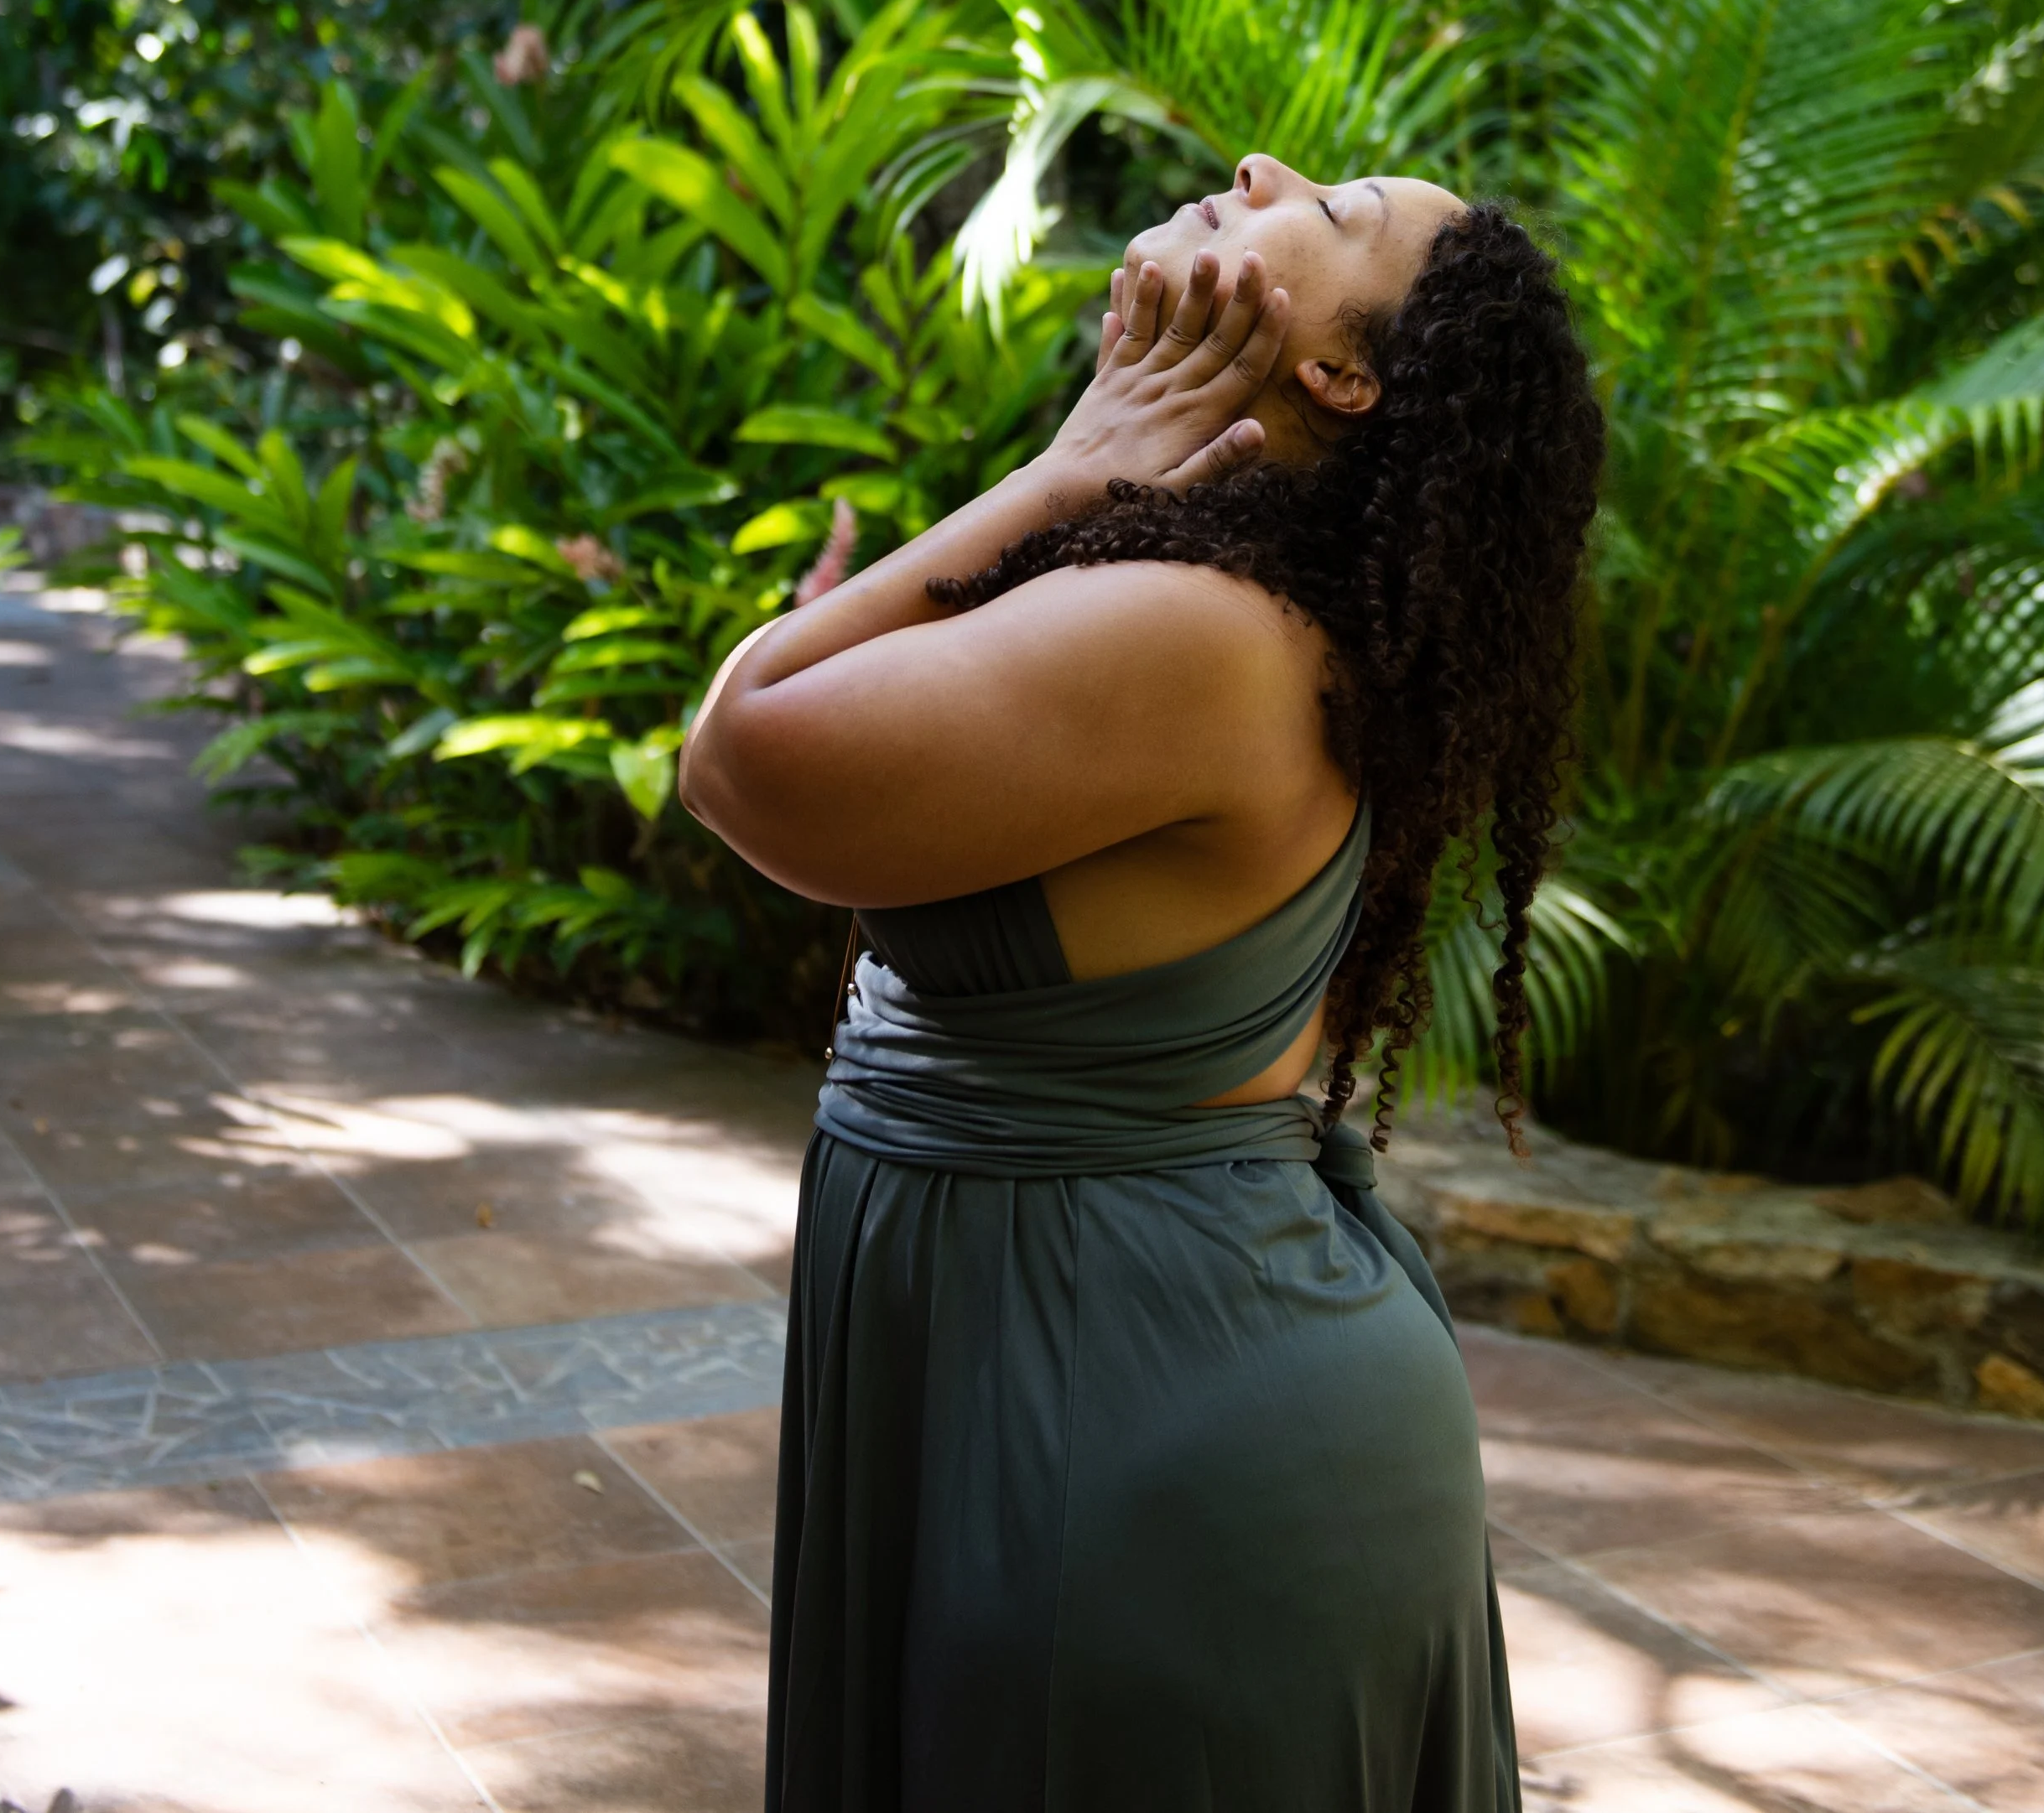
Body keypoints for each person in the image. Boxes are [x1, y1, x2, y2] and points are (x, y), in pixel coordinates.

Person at [684, 152, 1606, 1813]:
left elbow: (738, 755)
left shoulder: (1207, 633)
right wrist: (1083, 478)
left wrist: (1062, 469)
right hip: (1134, 1385)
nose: (1257, 169)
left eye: (1327, 214)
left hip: (1155, 1449)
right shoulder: (1254, 610)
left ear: (1334, 373)